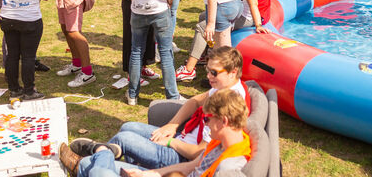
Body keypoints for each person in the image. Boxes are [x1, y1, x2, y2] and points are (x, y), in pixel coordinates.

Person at [63, 48, 251, 177]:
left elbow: (194, 156)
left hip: (180, 151)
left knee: (117, 146)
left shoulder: (229, 165)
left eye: (214, 72)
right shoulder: (221, 140)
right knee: (112, 143)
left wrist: (171, 142)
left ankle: (100, 150)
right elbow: (194, 103)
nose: (208, 76)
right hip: (180, 149)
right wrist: (150, 173)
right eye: (208, 71)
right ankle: (97, 157)